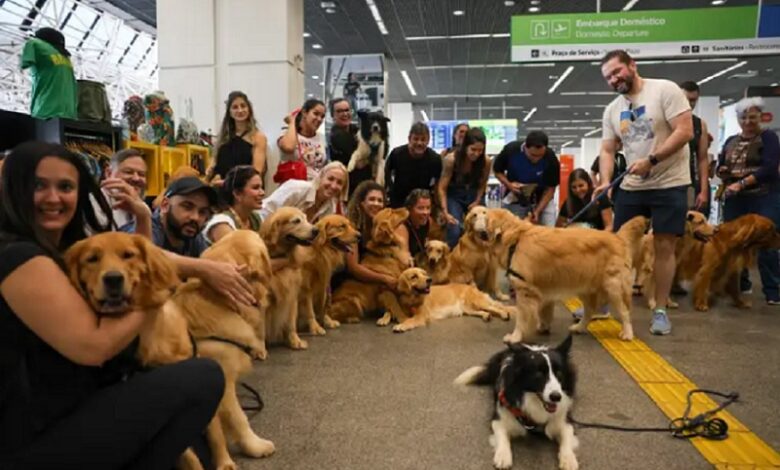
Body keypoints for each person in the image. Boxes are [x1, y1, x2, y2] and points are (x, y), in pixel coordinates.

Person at [0, 141, 224, 469]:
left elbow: (131, 257)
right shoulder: (17, 256)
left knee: (194, 442)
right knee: (204, 377)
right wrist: (155, 295)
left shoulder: (56, 251)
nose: (53, 198)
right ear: (15, 189)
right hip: (30, 439)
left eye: (65, 187)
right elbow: (94, 346)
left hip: (64, 411)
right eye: (38, 185)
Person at [597, 49, 694, 336]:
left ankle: (660, 310)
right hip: (632, 184)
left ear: (632, 65)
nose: (614, 79)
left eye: (617, 72)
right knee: (618, 246)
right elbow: (607, 148)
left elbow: (684, 131)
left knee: (664, 247)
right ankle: (603, 302)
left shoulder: (665, 90)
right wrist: (604, 181)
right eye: (608, 77)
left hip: (669, 181)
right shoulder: (613, 109)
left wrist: (652, 160)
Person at [717, 97, 780, 305]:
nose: (748, 121)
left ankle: (773, 290)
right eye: (743, 117)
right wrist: (722, 171)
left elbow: (769, 167)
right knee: (735, 242)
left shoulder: (769, 137)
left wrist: (742, 183)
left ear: (760, 117)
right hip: (736, 199)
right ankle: (740, 285)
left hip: (764, 196)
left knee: (766, 241)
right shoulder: (730, 141)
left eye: (752, 116)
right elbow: (721, 164)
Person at [335, 181, 397, 291]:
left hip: (371, 279)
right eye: (372, 199)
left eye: (380, 201)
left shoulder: (379, 226)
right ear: (362, 203)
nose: (376, 204)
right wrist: (384, 278)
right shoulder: (351, 227)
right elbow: (353, 268)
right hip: (348, 283)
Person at [493, 130, 560, 226]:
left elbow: (551, 188)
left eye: (540, 156)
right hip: (516, 196)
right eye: (533, 155)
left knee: (548, 227)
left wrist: (537, 211)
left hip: (543, 198)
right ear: (525, 147)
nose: (536, 159)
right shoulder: (511, 150)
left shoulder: (550, 157)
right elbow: (497, 171)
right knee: (512, 228)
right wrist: (509, 185)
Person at [438, 127, 490, 247]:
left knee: (482, 228)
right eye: (473, 149)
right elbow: (442, 187)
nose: (476, 154)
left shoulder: (485, 161)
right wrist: (445, 211)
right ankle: (452, 259)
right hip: (454, 195)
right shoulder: (451, 160)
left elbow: (483, 184)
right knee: (455, 229)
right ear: (465, 146)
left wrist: (477, 200)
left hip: (474, 194)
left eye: (480, 150)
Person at [207, 91, 268, 186]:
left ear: (249, 109)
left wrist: (228, 183)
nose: (240, 110)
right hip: (222, 190)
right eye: (235, 107)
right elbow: (213, 165)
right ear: (229, 112)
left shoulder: (258, 137)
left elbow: (257, 172)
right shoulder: (223, 138)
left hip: (245, 191)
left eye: (243, 106)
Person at [260, 161, 348, 223]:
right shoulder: (297, 188)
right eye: (330, 179)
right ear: (321, 177)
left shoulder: (331, 207)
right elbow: (266, 210)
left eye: (339, 183)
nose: (333, 186)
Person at [94, 148, 152, 238]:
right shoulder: (95, 203)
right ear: (109, 173)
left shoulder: (142, 206)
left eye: (141, 174)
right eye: (128, 172)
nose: (136, 178)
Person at [153, 176, 216, 257]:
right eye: (187, 207)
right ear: (165, 205)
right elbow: (153, 258)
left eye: (202, 212)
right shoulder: (147, 228)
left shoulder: (193, 235)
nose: (195, 217)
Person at [385, 122, 443, 209]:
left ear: (428, 140)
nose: (419, 143)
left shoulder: (435, 159)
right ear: (409, 139)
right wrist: (390, 191)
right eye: (416, 139)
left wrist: (438, 207)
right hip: (399, 200)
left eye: (423, 139)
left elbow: (437, 184)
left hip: (423, 202)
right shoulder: (396, 154)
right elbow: (386, 173)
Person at [202, 165, 264, 246]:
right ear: (237, 194)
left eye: (261, 188)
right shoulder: (221, 223)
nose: (262, 193)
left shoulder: (257, 218)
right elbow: (237, 257)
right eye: (256, 188)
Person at [679, 81, 712, 215]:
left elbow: (702, 159)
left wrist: (704, 191)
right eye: (685, 99)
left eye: (693, 100)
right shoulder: (664, 121)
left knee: (689, 223)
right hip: (664, 183)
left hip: (689, 183)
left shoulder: (700, 125)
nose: (689, 104)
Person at [328, 98, 370, 196]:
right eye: (339, 111)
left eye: (347, 110)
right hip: (348, 187)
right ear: (332, 115)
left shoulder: (356, 130)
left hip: (365, 185)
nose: (345, 114)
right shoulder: (337, 136)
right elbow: (360, 163)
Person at [278, 99, 328, 181]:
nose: (319, 119)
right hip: (292, 187)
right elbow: (288, 147)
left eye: (322, 116)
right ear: (304, 113)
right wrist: (292, 121)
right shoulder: (287, 133)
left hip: (314, 187)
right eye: (316, 114)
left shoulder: (321, 137)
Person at [395, 189, 433, 258]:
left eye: (428, 208)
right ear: (410, 209)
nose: (426, 212)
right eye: (420, 208)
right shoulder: (402, 227)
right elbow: (404, 259)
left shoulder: (428, 221)